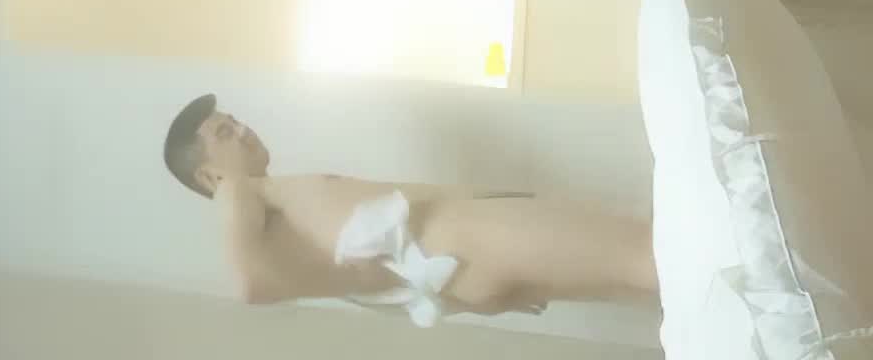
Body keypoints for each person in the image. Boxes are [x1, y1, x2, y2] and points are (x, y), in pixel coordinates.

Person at [162, 94, 657, 327]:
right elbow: (250, 285)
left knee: (650, 283)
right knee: (648, 255)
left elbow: (372, 273)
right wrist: (354, 270)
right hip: (464, 243)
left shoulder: (282, 206)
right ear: (209, 176)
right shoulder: (236, 191)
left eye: (235, 120)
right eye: (225, 133)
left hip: (460, 271)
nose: (243, 130)